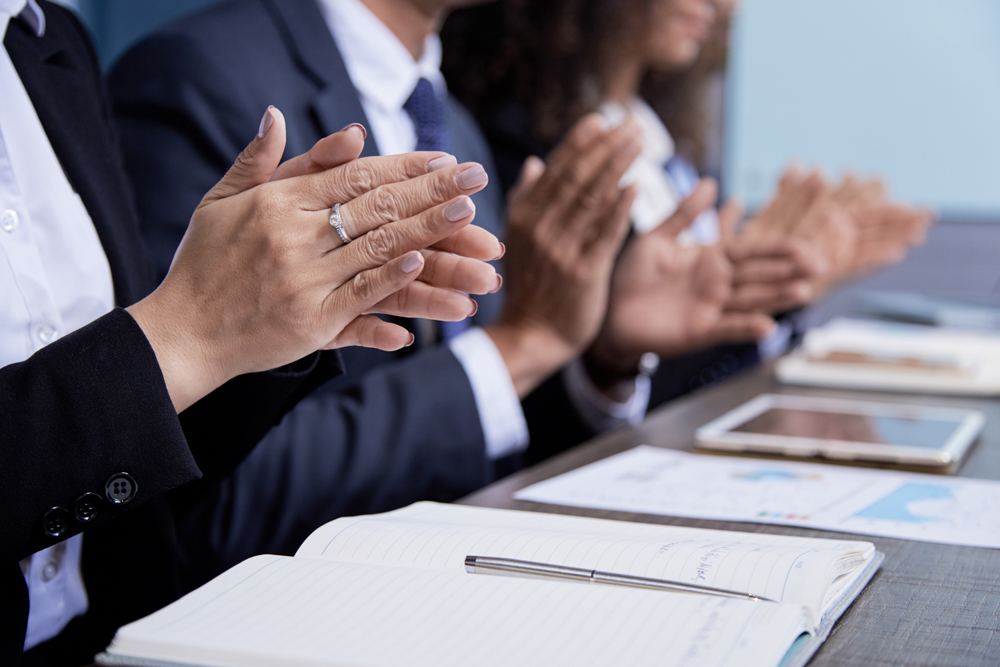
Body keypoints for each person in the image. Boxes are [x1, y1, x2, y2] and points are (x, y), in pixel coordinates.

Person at [108, 0, 691, 585]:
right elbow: (198, 499)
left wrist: (601, 356)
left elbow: (477, 429)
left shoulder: (451, 123)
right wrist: (518, 349)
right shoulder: (199, 75)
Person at [0, 0, 503, 662]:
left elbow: (142, 470)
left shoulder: (47, 44)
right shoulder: (195, 67)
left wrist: (262, 336)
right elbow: (161, 352)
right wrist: (184, 333)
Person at [442, 0, 931, 404]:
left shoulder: (663, 144)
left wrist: (774, 287)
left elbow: (674, 343)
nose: (727, 8)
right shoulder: (519, 144)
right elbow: (556, 390)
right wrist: (620, 354)